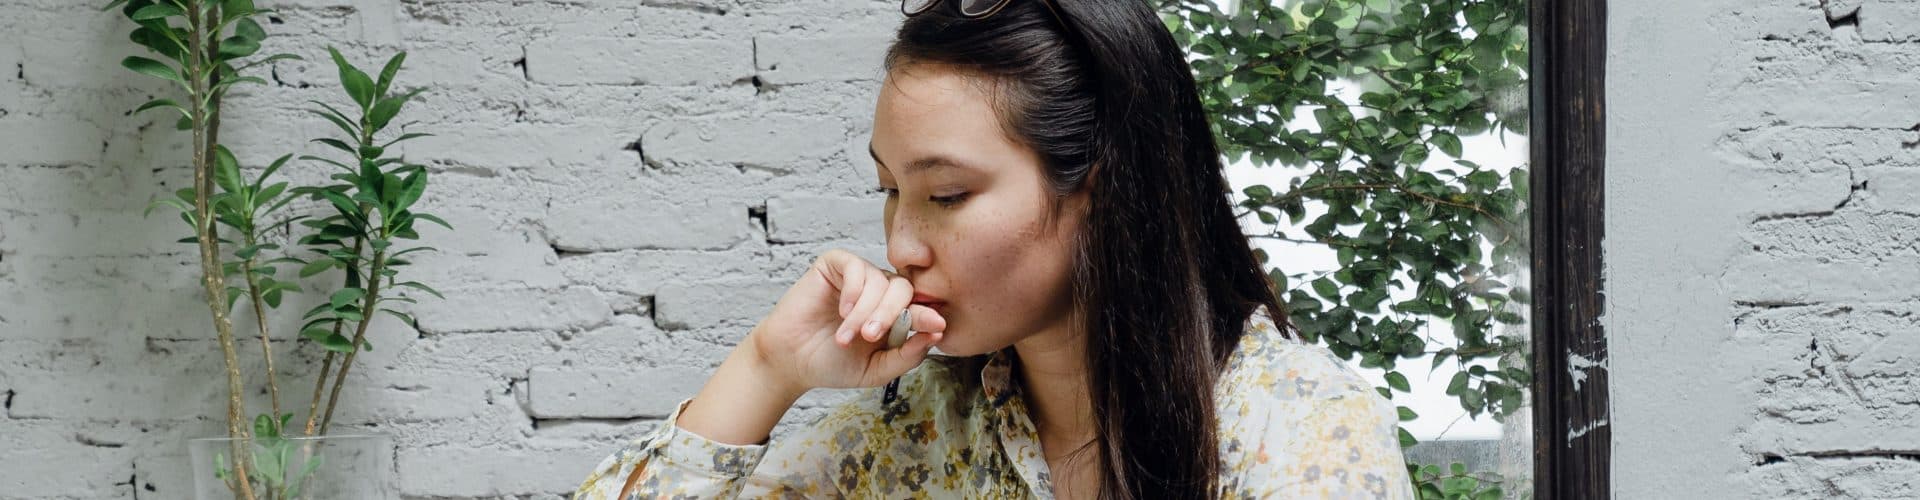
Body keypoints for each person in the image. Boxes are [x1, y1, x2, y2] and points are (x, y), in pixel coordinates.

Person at [571, 0, 1413, 497]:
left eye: (946, 196)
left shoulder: (1296, 430)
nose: (901, 244)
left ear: (1104, 186)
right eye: (889, 192)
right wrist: (766, 367)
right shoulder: (926, 421)